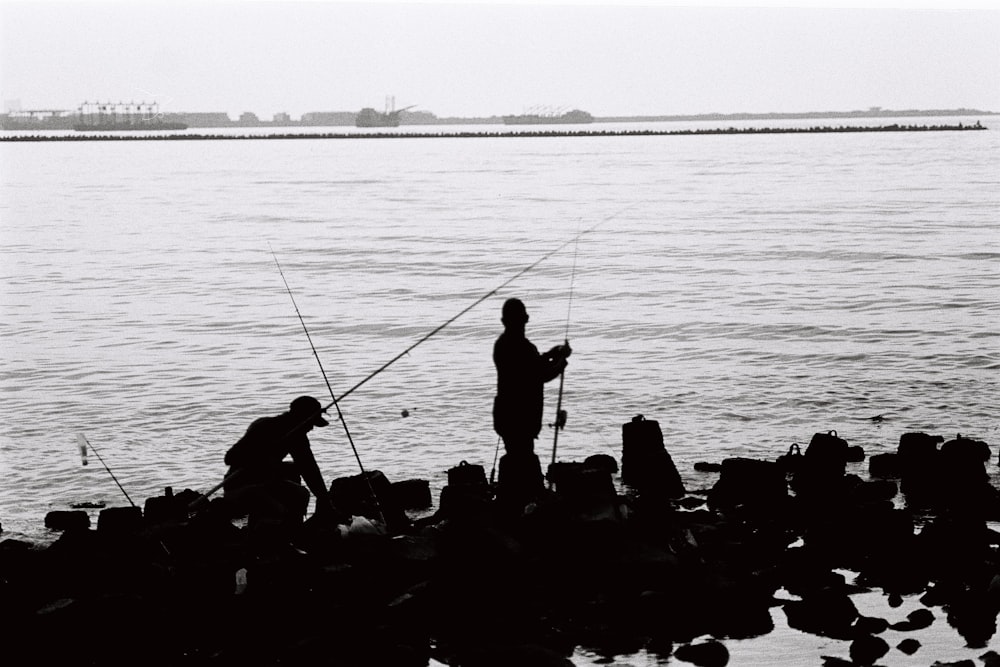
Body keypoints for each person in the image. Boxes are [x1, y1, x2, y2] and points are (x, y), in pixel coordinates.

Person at [492, 298, 572, 505]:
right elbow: (541, 375)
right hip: (523, 418)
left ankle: (513, 500)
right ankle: (527, 501)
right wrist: (561, 362)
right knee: (524, 457)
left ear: (503, 320)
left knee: (516, 455)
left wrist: (551, 355)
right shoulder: (524, 348)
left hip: (505, 415)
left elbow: (531, 366)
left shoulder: (501, 345)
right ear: (526, 319)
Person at [222, 395, 340, 528]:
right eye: (311, 423)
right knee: (277, 510)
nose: (311, 428)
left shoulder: (297, 437)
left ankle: (293, 537)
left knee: (300, 494)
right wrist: (263, 453)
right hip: (240, 487)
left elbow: (309, 468)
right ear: (300, 418)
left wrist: (323, 498)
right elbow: (229, 458)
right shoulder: (264, 426)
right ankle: (263, 543)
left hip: (265, 485)